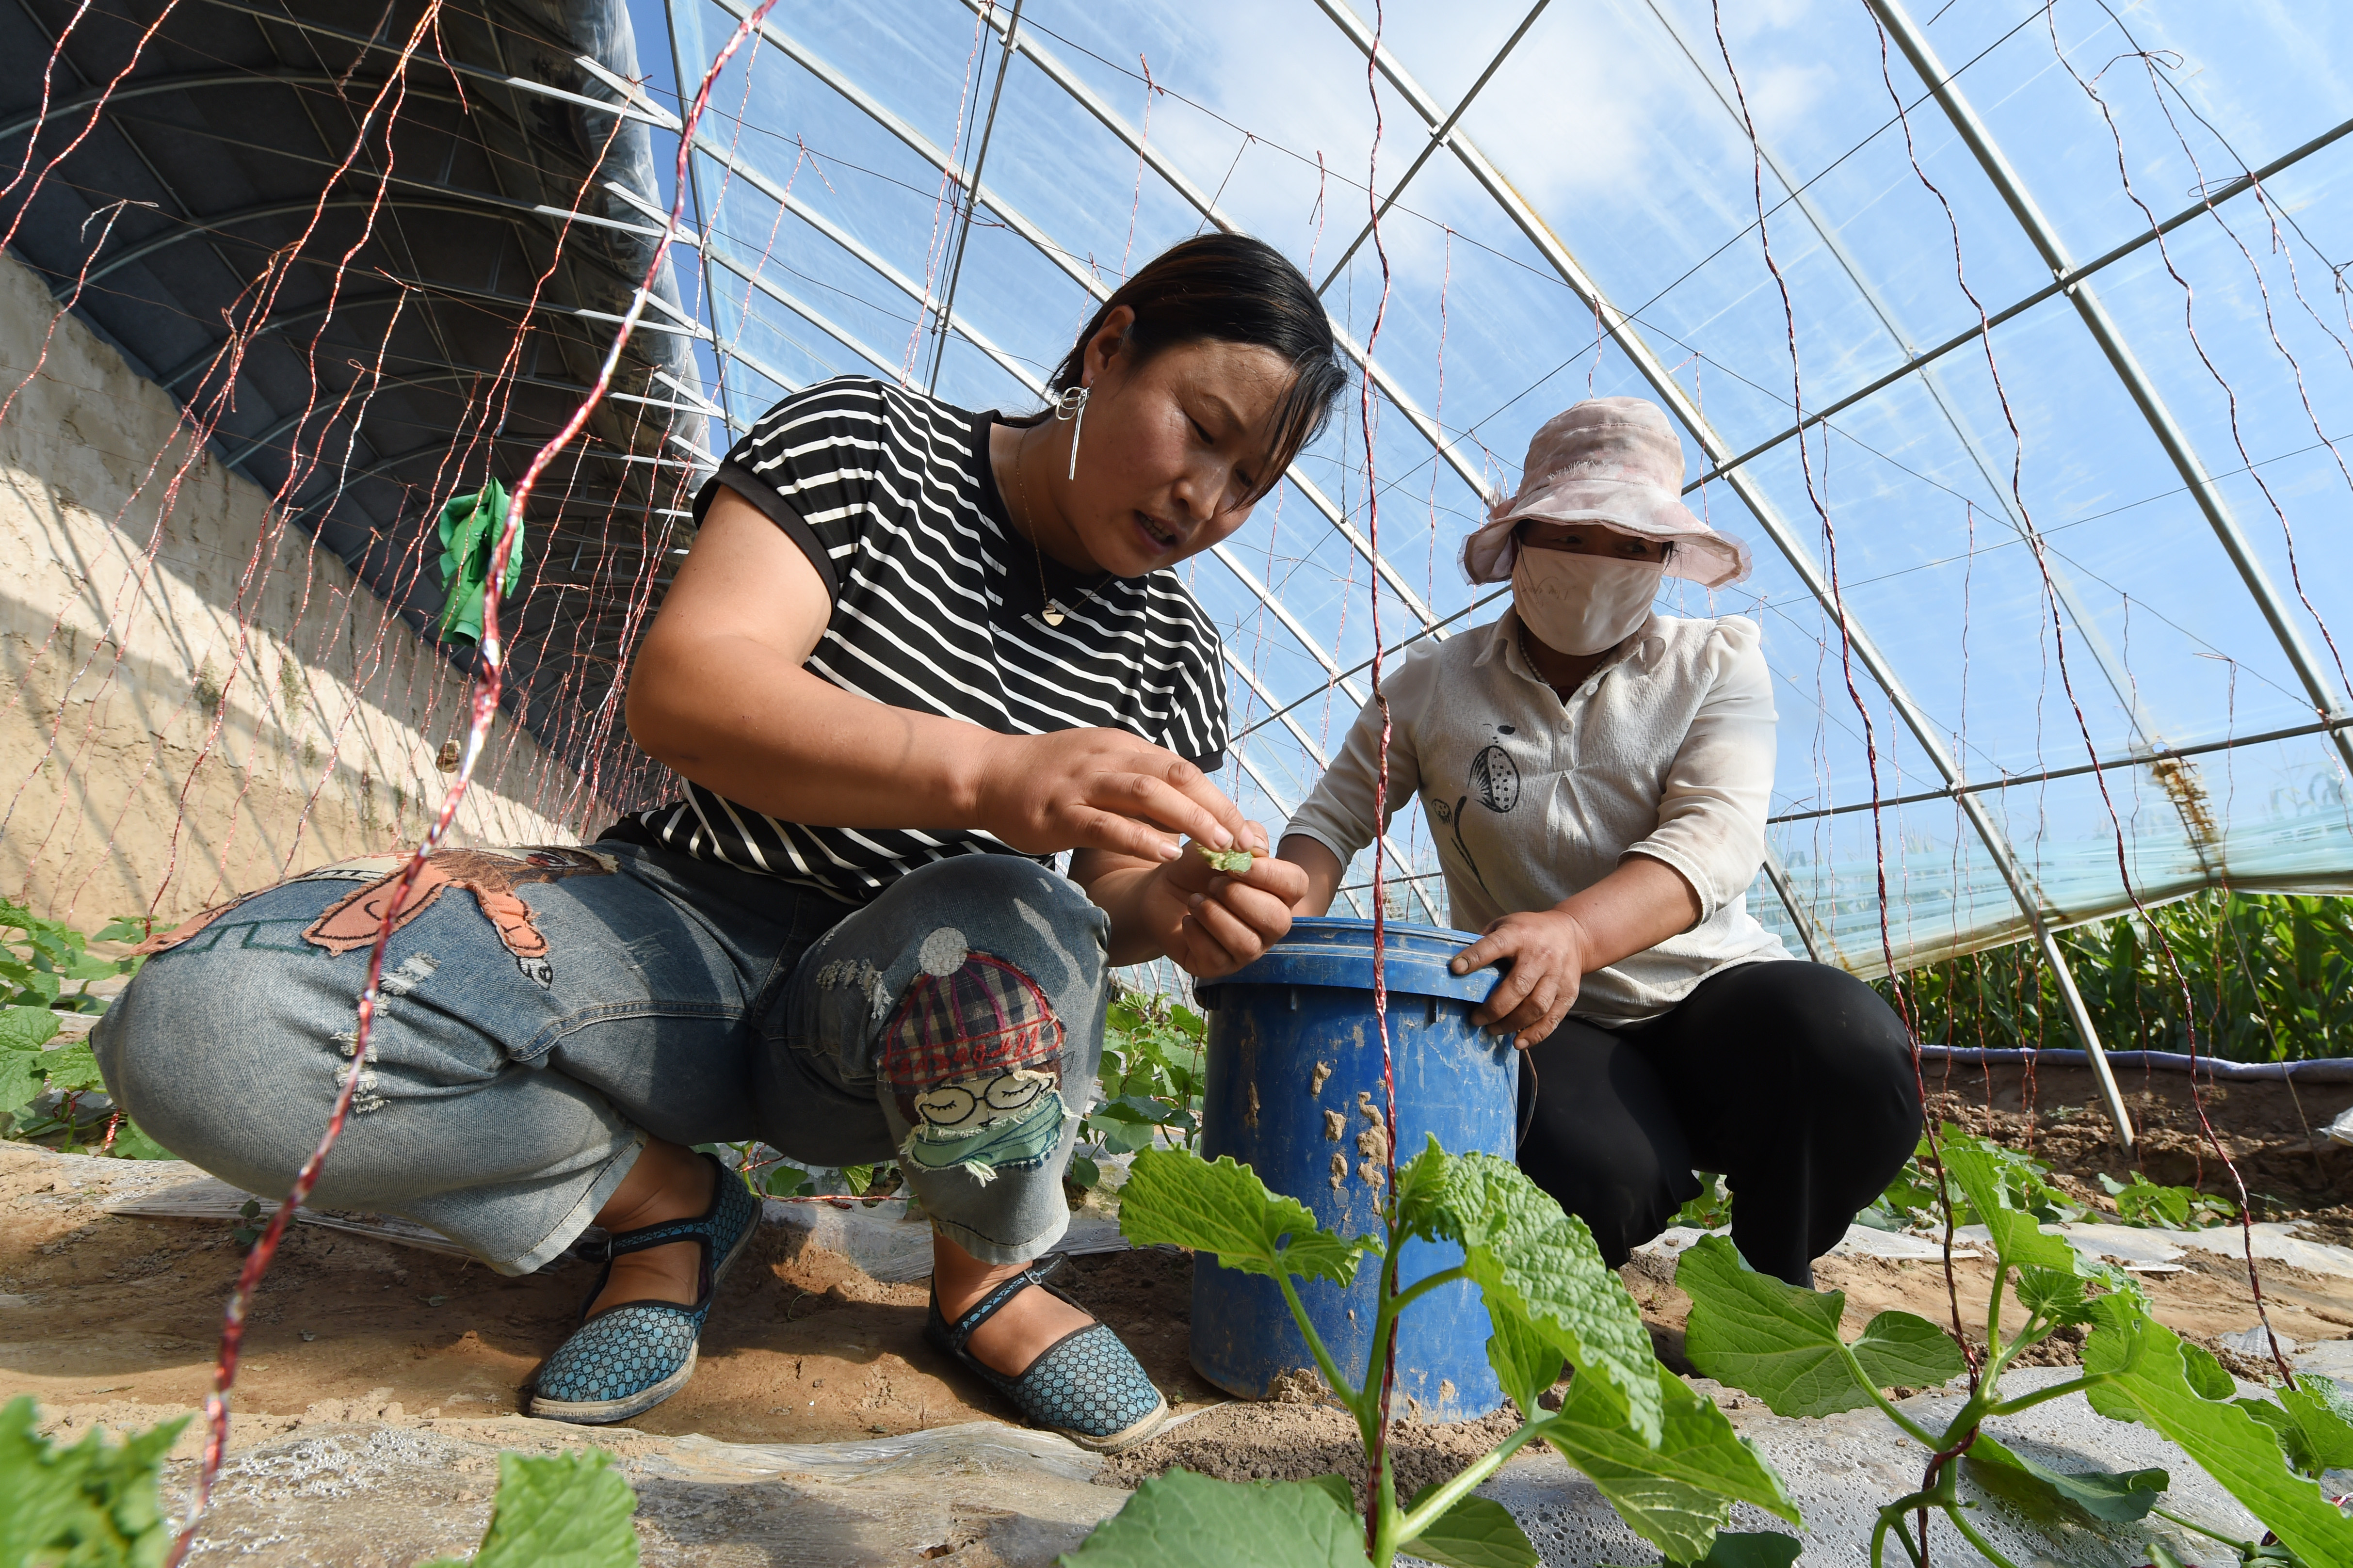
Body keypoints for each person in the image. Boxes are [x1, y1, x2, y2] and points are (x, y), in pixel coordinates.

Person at [92, 233, 1331, 1450]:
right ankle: (662, 1204)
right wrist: (991, 770)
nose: (1205, 498)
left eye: (1247, 483)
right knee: (206, 1034)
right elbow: (690, 687)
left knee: (1020, 908)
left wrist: (1176, 908)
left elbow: (1103, 899)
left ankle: (983, 1276)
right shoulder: (871, 450)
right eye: (1203, 430)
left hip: (880, 1025)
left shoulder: (1169, 648)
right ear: (1110, 350)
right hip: (662, 936)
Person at [1277, 397, 1919, 1288]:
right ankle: (1596, 1248)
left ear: (1664, 559)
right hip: (1546, 1015)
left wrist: (1575, 932)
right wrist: (1277, 916)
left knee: (1848, 1048)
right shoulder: (1430, 687)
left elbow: (1716, 836)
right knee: (1595, 1179)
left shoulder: (1715, 662)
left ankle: (1769, 1280)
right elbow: (1331, 821)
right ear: (1521, 537)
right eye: (1573, 536)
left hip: (1707, 991)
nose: (1599, 564)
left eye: (1633, 544)